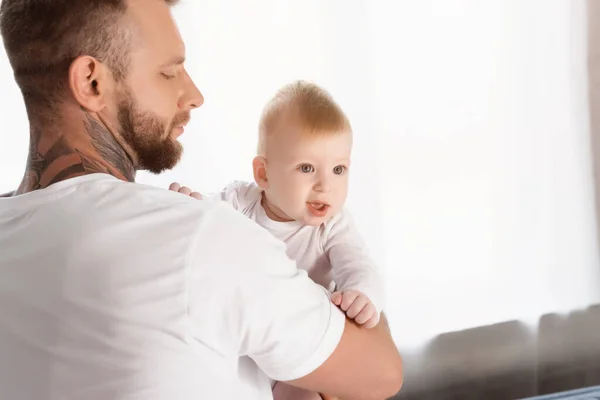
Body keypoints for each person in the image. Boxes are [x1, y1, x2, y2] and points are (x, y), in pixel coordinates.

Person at [0, 1, 403, 399]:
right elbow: (382, 373)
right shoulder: (201, 237)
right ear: (91, 81)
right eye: (168, 72)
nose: (194, 94)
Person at [170, 80, 385, 400]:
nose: (326, 185)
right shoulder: (240, 202)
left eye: (339, 169)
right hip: (244, 342)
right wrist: (189, 205)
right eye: (307, 168)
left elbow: (359, 266)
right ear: (264, 174)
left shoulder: (332, 227)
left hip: (299, 348)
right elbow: (207, 218)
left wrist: (362, 294)